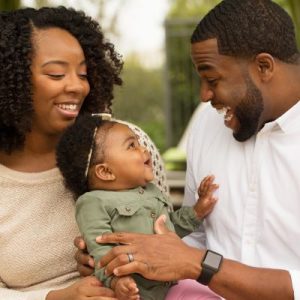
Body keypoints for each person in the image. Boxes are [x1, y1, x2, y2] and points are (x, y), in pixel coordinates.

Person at [75, 0, 300, 299]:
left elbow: (194, 261)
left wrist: (202, 265)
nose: (204, 96)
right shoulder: (207, 122)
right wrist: (123, 257)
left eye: (212, 79)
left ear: (264, 66)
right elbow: (194, 238)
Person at [0, 6, 168, 300]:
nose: (77, 86)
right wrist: (55, 297)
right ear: (10, 79)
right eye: (56, 74)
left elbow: (168, 237)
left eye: (83, 73)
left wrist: (116, 263)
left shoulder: (126, 144)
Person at [56, 113, 220, 300]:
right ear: (106, 171)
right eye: (131, 145)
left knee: (207, 295)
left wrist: (198, 210)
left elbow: (169, 229)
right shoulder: (93, 203)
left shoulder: (151, 190)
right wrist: (116, 282)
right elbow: (100, 251)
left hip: (171, 285)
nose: (144, 149)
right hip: (133, 292)